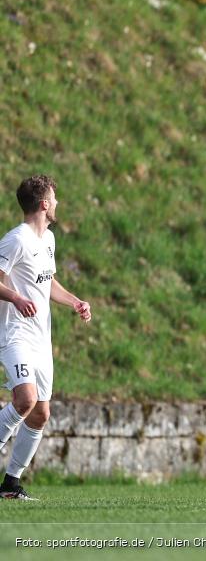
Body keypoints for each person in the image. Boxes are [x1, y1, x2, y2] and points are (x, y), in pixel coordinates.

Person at [0, 176, 92, 500]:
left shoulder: (48, 240)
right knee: (23, 401)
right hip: (15, 335)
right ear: (44, 204)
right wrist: (15, 298)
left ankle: (11, 485)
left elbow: (48, 283)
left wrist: (76, 302)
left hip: (41, 340)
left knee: (41, 414)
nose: (57, 203)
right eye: (54, 198)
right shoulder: (16, 240)